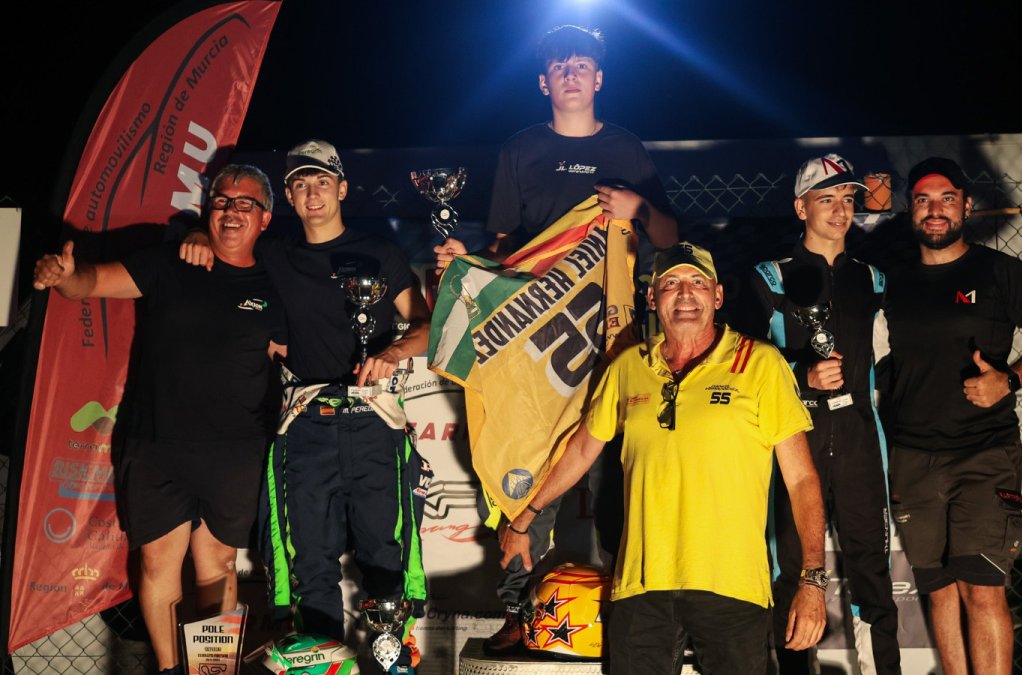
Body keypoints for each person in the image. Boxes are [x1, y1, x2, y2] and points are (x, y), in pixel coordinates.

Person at [432, 24, 678, 652]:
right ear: (544, 82)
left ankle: (636, 625)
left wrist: (636, 208)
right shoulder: (521, 150)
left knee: (617, 484)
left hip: (613, 344)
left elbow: (670, 238)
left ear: (600, 79)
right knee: (526, 475)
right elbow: (505, 247)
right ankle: (519, 617)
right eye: (560, 66)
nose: (571, 74)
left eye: (583, 65)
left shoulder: (627, 149)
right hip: (536, 348)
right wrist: (467, 265)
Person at [501, 243, 827, 674]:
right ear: (652, 298)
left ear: (718, 296)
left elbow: (802, 479)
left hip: (732, 586)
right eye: (671, 283)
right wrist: (523, 519)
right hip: (640, 585)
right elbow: (581, 449)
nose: (685, 293)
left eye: (697, 282)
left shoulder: (760, 364)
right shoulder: (628, 367)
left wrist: (812, 580)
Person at [184, 140, 432, 670]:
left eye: (322, 181)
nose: (312, 192)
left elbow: (429, 326)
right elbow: (226, 246)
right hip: (304, 427)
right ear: (290, 200)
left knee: (386, 558)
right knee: (308, 565)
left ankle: (397, 661)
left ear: (341, 188)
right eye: (299, 184)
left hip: (374, 422)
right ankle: (320, 666)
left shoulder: (380, 253)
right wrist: (196, 235)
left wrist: (391, 352)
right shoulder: (274, 256)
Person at [34, 164, 285, 675]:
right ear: (206, 207)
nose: (231, 211)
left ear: (265, 217)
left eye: (245, 203)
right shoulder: (169, 263)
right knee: (156, 565)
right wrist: (66, 276)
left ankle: (210, 672)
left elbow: (301, 348)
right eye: (221, 200)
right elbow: (91, 282)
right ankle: (173, 671)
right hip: (156, 445)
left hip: (235, 451)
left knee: (215, 566)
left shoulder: (279, 285)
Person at [882, 157, 1022, 675]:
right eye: (923, 199)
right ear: (910, 210)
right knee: (941, 593)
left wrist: (1007, 380)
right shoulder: (892, 280)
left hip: (983, 454)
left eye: (946, 198)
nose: (935, 209)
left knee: (983, 590)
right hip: (913, 459)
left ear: (966, 206)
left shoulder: (997, 271)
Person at [741, 154, 899, 674]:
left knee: (872, 576)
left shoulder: (873, 279)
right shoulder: (769, 277)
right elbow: (740, 366)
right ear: (800, 207)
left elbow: (887, 363)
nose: (839, 210)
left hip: (859, 441)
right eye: (826, 199)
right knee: (791, 575)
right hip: (793, 444)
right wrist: (800, 374)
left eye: (848, 199)